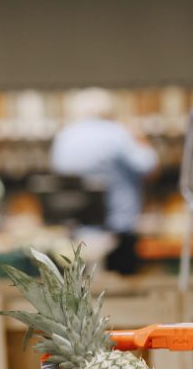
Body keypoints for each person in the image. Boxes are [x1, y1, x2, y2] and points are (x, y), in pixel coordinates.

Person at [50, 88, 159, 275]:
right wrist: (140, 137)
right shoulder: (117, 134)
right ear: (110, 111)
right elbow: (149, 166)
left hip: (77, 232)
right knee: (122, 295)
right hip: (117, 230)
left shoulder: (64, 137)